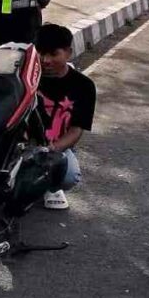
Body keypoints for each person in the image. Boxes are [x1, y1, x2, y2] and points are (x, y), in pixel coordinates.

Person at [34, 23, 95, 211]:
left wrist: (52, 149)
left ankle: (51, 185)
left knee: (68, 177)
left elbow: (77, 129)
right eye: (41, 53)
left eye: (53, 54)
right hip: (22, 145)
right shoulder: (26, 78)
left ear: (68, 52)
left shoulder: (84, 86)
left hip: (56, 146)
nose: (46, 60)